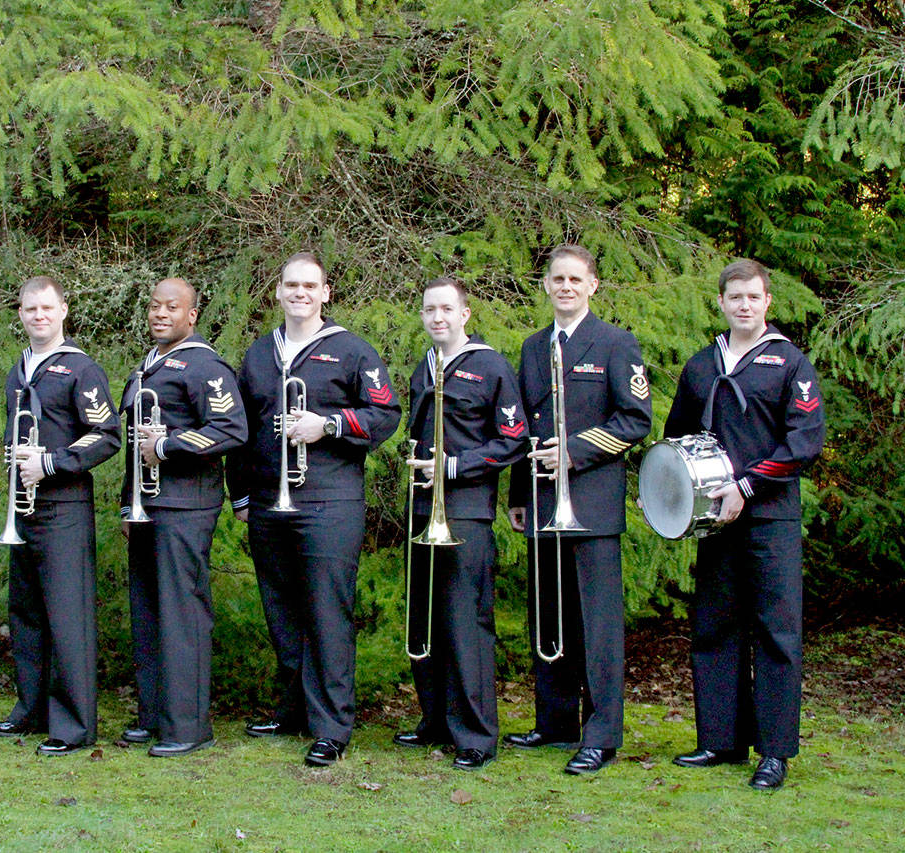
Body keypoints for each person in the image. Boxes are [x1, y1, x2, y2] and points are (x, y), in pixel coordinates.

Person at [228, 251, 401, 767]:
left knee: (327, 612)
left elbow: (386, 413)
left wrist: (326, 424)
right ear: (277, 293)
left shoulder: (351, 351)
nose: (300, 293)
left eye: (310, 286)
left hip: (329, 501)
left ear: (326, 293)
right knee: (281, 610)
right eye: (290, 285)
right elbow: (240, 431)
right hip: (267, 501)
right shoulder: (259, 354)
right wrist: (240, 496)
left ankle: (331, 726)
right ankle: (293, 710)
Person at [663, 259, 825, 790]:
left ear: (767, 301)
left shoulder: (790, 363)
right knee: (714, 627)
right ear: (722, 302)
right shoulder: (701, 365)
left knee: (776, 633)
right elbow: (679, 436)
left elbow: (803, 443)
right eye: (735, 297)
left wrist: (746, 486)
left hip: (770, 518)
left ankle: (774, 752)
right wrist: (681, 496)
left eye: (753, 297)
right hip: (716, 523)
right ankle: (719, 740)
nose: (744, 305)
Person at [505, 244, 651, 775]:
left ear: (593, 286)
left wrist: (576, 452)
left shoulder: (615, 343)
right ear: (545, 286)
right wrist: (519, 494)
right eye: (557, 279)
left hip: (591, 503)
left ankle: (602, 732)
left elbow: (635, 421)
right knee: (551, 615)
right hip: (543, 504)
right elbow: (523, 426)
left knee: (598, 624)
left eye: (575, 279)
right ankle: (556, 721)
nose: (565, 287)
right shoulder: (531, 347)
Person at [394, 276, 528, 771]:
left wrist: (453, 466)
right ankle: (434, 721)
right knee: (425, 618)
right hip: (423, 508)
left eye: (447, 309)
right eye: (430, 310)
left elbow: (514, 440)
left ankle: (475, 735)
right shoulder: (423, 366)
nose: (438, 318)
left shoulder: (489, 365)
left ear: (465, 314)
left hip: (467, 511)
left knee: (466, 624)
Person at [0, 276, 120, 756]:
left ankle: (74, 725)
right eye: (30, 309)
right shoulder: (19, 368)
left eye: (47, 308)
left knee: (68, 618)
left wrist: (51, 461)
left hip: (63, 507)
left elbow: (106, 434)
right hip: (23, 508)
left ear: (64, 310)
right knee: (27, 615)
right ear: (20, 314)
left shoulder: (80, 369)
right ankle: (32, 709)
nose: (38, 316)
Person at [119, 278, 247, 757]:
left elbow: (232, 429)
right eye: (154, 305)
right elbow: (134, 442)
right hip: (148, 508)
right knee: (149, 614)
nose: (160, 314)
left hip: (185, 505)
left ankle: (190, 727)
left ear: (191, 316)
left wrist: (168, 446)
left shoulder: (205, 365)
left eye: (172, 307)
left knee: (182, 615)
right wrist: (127, 504)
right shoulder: (147, 367)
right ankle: (155, 716)